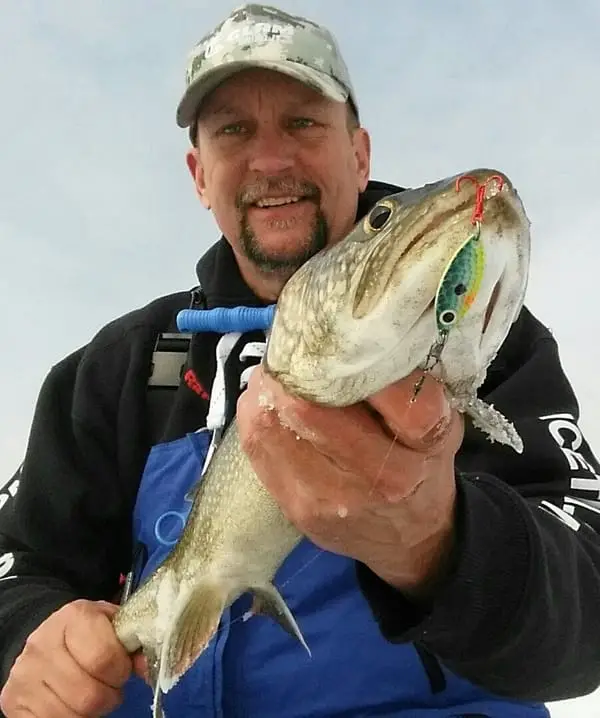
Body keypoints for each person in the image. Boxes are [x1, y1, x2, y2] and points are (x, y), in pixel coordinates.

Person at [1, 3, 600, 717]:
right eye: (233, 130)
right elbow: (20, 566)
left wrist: (438, 542)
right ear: (200, 175)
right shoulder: (117, 370)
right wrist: (32, 639)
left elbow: (586, 613)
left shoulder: (489, 342)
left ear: (360, 152)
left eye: (303, 122)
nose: (272, 158)